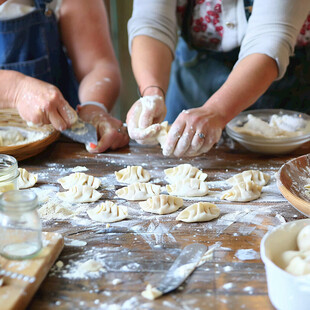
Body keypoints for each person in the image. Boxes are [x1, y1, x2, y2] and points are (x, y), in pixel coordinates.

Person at [126, 0, 310, 157]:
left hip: (279, 80)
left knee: (287, 174)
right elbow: (152, 23)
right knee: (178, 153)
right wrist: (152, 92)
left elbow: (270, 39)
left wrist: (216, 111)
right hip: (194, 72)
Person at [0, 0, 129, 153]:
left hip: (58, 150)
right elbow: (16, 90)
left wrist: (93, 108)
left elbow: (97, 65)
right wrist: (17, 91)